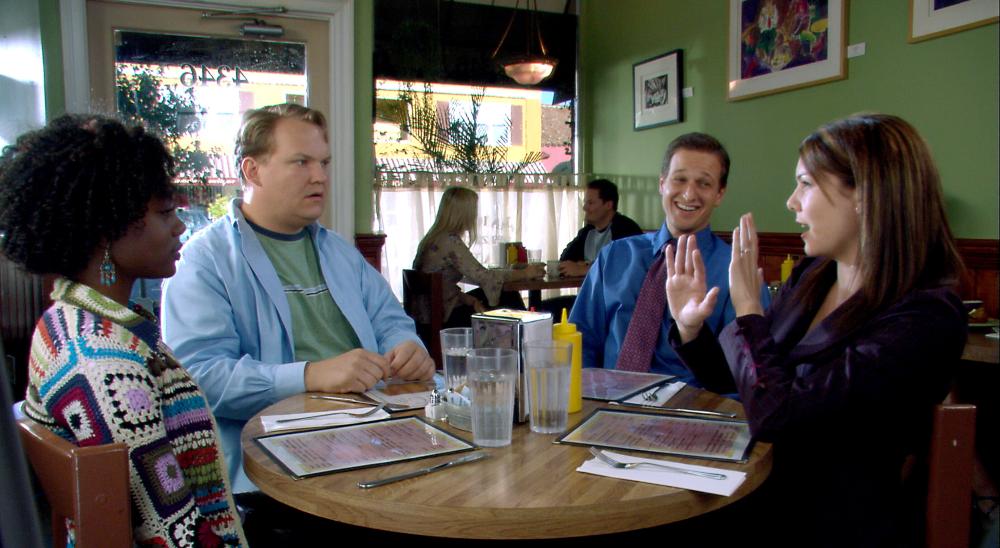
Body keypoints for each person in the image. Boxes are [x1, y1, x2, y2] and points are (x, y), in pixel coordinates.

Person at [665, 114, 967, 545]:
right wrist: (691, 328)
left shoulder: (925, 318)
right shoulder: (814, 275)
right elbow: (754, 382)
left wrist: (748, 308)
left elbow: (778, 416)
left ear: (865, 193)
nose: (791, 201)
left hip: (829, 524)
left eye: (805, 184)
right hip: (762, 494)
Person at [161, 104, 435, 496]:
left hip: (374, 439)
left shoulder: (339, 251)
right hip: (272, 473)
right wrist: (309, 375)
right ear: (252, 170)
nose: (319, 176)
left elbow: (390, 321)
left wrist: (406, 348)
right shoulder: (204, 260)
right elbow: (201, 378)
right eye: (301, 162)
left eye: (324, 162)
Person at [0, 115, 246, 546]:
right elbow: (172, 534)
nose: (179, 226)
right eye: (164, 212)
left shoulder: (69, 321)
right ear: (106, 230)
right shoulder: (105, 366)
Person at [570, 133, 768, 382]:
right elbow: (581, 340)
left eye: (704, 184)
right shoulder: (614, 256)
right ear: (662, 184)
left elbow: (746, 376)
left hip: (691, 414)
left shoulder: (736, 271)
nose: (688, 194)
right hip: (606, 404)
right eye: (680, 180)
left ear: (719, 194)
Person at [412, 187, 544, 328]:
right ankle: (529, 336)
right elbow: (484, 277)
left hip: (428, 316)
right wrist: (525, 273)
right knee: (509, 297)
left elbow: (445, 286)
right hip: (445, 318)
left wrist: (469, 300)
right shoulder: (450, 241)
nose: (475, 216)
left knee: (504, 297)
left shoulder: (432, 239)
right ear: (464, 214)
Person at [557, 178, 643, 277]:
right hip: (593, 292)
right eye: (585, 202)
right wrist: (588, 266)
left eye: (590, 203)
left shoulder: (626, 229)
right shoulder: (587, 231)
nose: (585, 208)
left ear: (608, 205)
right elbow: (565, 260)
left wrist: (584, 269)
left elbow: (624, 265)